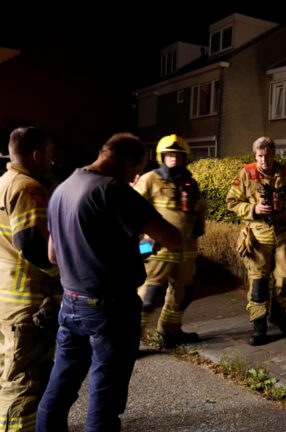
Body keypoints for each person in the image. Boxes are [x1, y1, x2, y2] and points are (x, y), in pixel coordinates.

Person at [36, 133, 182, 432]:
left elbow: (53, 255)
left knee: (59, 389)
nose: (135, 177)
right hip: (111, 310)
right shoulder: (115, 190)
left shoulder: (62, 189)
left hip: (71, 303)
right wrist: (148, 244)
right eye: (135, 170)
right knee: (105, 397)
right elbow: (173, 238)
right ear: (126, 160)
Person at [0, 127, 59, 432]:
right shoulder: (28, 187)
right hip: (27, 301)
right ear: (37, 154)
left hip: (6, 297)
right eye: (49, 153)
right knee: (25, 385)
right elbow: (32, 246)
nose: (52, 159)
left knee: (9, 375)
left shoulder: (3, 182)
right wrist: (63, 278)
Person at [134, 134, 206, 348]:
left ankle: (170, 332)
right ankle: (131, 340)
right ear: (161, 157)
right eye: (169, 155)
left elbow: (199, 209)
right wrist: (142, 240)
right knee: (149, 295)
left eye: (178, 156)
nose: (174, 159)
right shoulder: (150, 179)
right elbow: (132, 210)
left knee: (183, 294)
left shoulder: (190, 183)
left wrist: (199, 227)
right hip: (158, 249)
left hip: (187, 250)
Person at [226, 137, 286, 346]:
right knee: (258, 285)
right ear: (255, 155)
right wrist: (254, 209)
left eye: (267, 155)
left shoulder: (285, 174)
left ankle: (278, 312)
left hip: (284, 236)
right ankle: (259, 325)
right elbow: (232, 202)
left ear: (273, 154)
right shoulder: (246, 173)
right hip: (257, 238)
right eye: (259, 156)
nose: (263, 160)